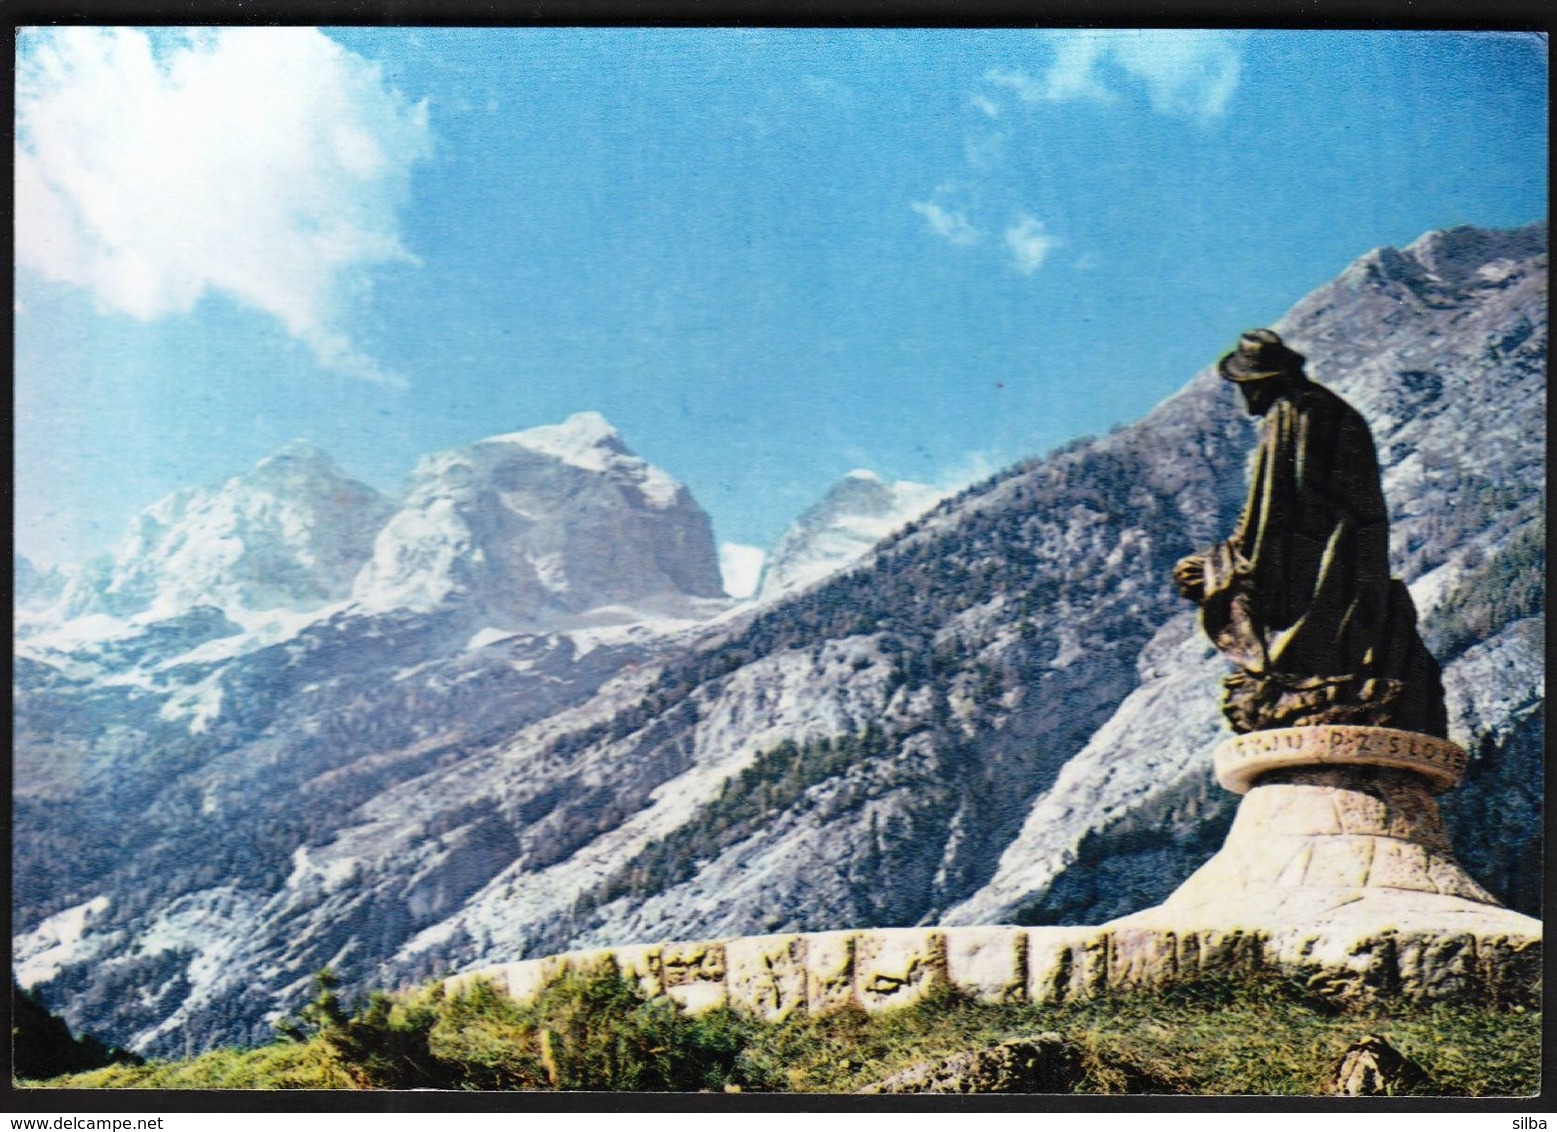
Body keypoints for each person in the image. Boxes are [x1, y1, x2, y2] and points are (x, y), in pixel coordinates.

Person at [1173, 329, 1447, 736]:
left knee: (1205, 577)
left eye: (1246, 386)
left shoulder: (1293, 414)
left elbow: (1275, 507)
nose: (1245, 398)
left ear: (1265, 381)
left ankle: (1291, 678)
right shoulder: (1330, 409)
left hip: (1317, 554)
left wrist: (1227, 557)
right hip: (1351, 548)